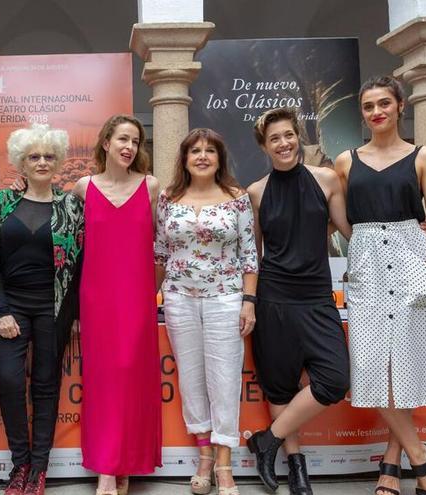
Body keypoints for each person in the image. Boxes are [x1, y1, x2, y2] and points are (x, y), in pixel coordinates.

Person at [335, 76, 426, 495]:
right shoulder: (346, 160)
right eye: (368, 106)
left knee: (402, 364)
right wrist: (362, 243)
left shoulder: (424, 156)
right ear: (362, 113)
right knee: (369, 368)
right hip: (366, 265)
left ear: (400, 106)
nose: (377, 112)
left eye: (384, 103)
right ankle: (421, 456)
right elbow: (342, 217)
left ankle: (391, 464)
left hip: (411, 262)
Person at [245, 107, 352, 495]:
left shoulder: (326, 180)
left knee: (336, 380)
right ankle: (296, 468)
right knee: (280, 388)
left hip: (317, 299)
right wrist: (250, 301)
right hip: (273, 301)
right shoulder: (255, 192)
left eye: (289, 135)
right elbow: (250, 256)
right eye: (275, 138)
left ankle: (266, 440)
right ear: (265, 146)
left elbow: (351, 230)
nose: (284, 143)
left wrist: (402, 229)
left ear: (298, 136)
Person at [0, 123, 84, 495]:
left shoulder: (71, 206)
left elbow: (80, 265)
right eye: (33, 157)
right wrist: (1, 309)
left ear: (57, 162)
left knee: (46, 385)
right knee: (9, 382)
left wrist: (73, 317)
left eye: (48, 156)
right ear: (21, 162)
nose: (41, 162)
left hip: (53, 310)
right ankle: (19, 464)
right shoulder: (4, 203)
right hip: (12, 307)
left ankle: (39, 469)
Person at [154, 128, 258, 495]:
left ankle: (225, 462)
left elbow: (249, 256)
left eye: (209, 151)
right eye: (194, 150)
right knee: (191, 379)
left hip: (226, 298)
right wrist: (149, 296)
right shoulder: (168, 198)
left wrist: (249, 301)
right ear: (184, 158)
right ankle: (204, 458)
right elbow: (161, 254)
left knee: (225, 378)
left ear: (219, 158)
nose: (201, 156)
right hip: (179, 299)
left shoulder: (237, 199)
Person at [73, 115, 162, 495]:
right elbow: (71, 249)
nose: (129, 147)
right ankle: (107, 469)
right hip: (96, 298)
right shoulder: (82, 187)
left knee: (132, 374)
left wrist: (152, 291)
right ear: (106, 142)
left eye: (136, 141)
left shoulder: (151, 186)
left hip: (137, 297)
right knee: (103, 379)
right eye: (122, 139)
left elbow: (162, 245)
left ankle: (127, 459)